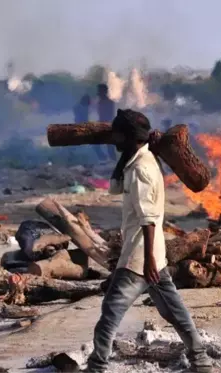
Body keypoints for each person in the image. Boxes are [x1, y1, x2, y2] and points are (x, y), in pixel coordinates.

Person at [85, 109, 212, 373]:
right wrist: (127, 155)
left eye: (118, 134)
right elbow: (114, 188)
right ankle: (201, 361)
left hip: (141, 257)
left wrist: (149, 262)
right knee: (173, 310)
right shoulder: (140, 161)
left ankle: (96, 367)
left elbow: (149, 218)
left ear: (129, 137)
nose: (113, 139)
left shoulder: (142, 169)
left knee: (111, 310)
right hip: (152, 254)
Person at [96, 83, 118, 161]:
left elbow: (110, 115)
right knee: (96, 144)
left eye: (100, 91)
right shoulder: (100, 102)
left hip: (107, 125)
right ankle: (105, 159)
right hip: (101, 124)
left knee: (110, 146)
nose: (98, 93)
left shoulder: (109, 102)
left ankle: (112, 161)